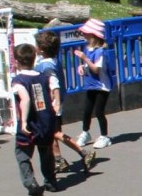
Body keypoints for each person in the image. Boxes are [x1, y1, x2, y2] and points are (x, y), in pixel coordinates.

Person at [35, 30, 96, 174]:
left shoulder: (46, 66)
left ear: (42, 49)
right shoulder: (52, 61)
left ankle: (83, 152)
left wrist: (55, 102)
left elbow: (54, 83)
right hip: (54, 101)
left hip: (51, 103)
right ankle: (58, 160)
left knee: (54, 132)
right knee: (53, 133)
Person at [11, 43, 58, 196]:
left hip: (30, 122)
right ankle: (51, 181)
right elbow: (52, 92)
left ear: (16, 62)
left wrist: (23, 121)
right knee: (46, 151)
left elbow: (25, 99)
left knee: (22, 153)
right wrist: (55, 106)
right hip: (46, 120)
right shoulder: (44, 77)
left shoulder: (19, 81)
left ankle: (30, 182)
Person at [72, 18, 113, 150]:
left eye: (86, 33)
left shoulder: (100, 52)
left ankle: (104, 136)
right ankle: (85, 132)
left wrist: (84, 59)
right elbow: (88, 66)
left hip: (102, 86)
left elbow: (96, 69)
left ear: (93, 35)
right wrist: (82, 67)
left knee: (99, 111)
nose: (83, 34)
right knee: (87, 110)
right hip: (90, 85)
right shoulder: (88, 49)